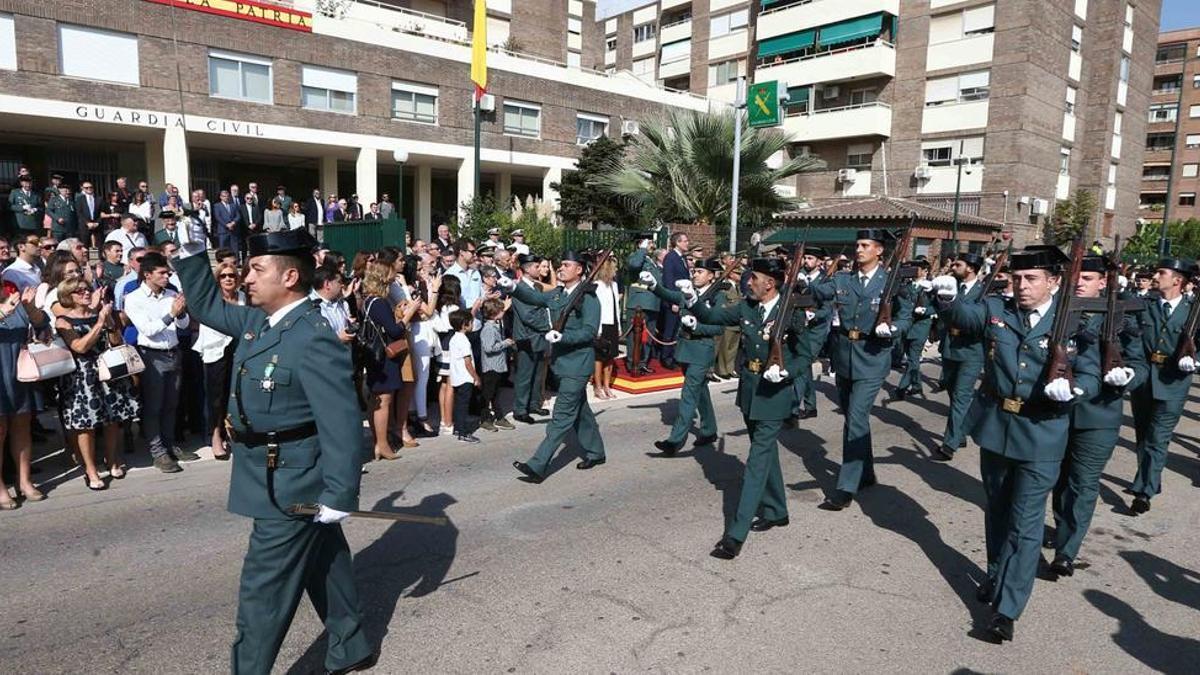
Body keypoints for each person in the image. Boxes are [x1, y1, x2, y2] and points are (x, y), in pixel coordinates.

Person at [173, 227, 375, 675]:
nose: (246, 277)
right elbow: (206, 306)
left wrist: (341, 494)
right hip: (264, 468)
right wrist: (191, 254)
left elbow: (340, 419)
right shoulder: (257, 322)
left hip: (294, 481)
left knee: (263, 591)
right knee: (325, 560)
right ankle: (351, 642)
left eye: (256, 269)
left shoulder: (313, 335)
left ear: (288, 278)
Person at [932, 245, 1102, 643]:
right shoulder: (998, 309)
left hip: (1043, 432)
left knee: (1026, 525)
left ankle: (1007, 609)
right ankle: (995, 574)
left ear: (1054, 282)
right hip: (996, 427)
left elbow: (1093, 370)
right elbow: (965, 317)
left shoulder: (1075, 320)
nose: (1022, 287)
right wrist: (946, 297)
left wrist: (1073, 388)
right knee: (998, 512)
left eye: (1032, 280)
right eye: (1017, 279)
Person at [689, 256, 813, 559]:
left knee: (756, 460)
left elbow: (806, 354)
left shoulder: (791, 311)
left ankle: (735, 533)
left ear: (769, 283)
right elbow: (712, 316)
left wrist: (787, 371)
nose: (749, 282)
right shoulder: (748, 307)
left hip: (774, 395)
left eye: (754, 278)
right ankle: (777, 510)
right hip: (749, 391)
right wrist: (691, 300)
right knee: (766, 451)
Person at [1049, 255, 1146, 577]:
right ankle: (1063, 528)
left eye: (1088, 278)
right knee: (1060, 481)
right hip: (1058, 412)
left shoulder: (1120, 316)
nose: (1079, 282)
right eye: (1076, 276)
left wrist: (1128, 375)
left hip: (1099, 413)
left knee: (1083, 482)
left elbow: (1141, 363)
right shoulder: (1056, 310)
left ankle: (1067, 549)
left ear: (1103, 282)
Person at [808, 229, 913, 511]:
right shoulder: (844, 278)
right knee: (853, 418)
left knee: (855, 417)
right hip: (844, 356)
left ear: (879, 250)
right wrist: (796, 278)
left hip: (873, 356)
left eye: (865, 245)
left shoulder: (891, 281)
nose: (859, 249)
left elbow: (906, 313)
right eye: (857, 244)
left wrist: (894, 328)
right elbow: (819, 292)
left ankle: (846, 486)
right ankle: (866, 472)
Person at [500, 251, 606, 483]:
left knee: (561, 416)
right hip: (562, 363)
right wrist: (513, 287)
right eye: (561, 264)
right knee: (581, 412)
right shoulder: (559, 293)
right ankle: (596, 452)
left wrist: (563, 338)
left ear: (579, 270)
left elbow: (589, 331)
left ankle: (538, 465)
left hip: (578, 365)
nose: (560, 268)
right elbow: (536, 299)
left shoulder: (588, 298)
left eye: (567, 265)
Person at [1127, 257, 1200, 514]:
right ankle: (1150, 479)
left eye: (1162, 272)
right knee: (1143, 434)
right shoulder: (1145, 305)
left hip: (1174, 382)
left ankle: (1144, 492)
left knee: (1158, 437)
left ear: (1178, 280)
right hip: (1145, 378)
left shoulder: (1194, 310)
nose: (1155, 276)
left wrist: (1195, 360)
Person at [55, 278, 141, 490]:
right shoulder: (63, 320)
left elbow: (116, 343)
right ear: (69, 296)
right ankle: (90, 470)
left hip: (108, 371)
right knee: (86, 426)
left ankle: (112, 460)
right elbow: (80, 347)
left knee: (113, 419)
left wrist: (110, 324)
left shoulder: (100, 313)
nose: (86, 293)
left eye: (87, 289)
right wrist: (100, 323)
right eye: (79, 291)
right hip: (82, 377)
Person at [642, 256, 725, 453]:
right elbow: (670, 295)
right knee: (701, 391)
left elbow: (719, 328)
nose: (695, 275)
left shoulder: (718, 297)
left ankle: (675, 440)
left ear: (711, 276)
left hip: (702, 350)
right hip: (686, 350)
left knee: (688, 395)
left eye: (700, 272)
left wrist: (698, 326)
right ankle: (709, 429)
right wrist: (654, 285)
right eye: (694, 271)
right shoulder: (690, 292)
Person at [124, 251, 196, 473]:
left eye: (168, 272)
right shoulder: (134, 298)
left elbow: (183, 326)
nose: (167, 276)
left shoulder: (170, 294)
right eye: (162, 273)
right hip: (151, 355)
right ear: (147, 274)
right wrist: (171, 315)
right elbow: (148, 330)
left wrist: (181, 312)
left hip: (173, 352)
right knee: (154, 406)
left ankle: (168, 442)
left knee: (171, 404)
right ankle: (157, 451)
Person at [933, 252, 987, 461]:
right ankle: (962, 430)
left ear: (971, 268)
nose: (953, 267)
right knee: (950, 388)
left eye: (958, 264)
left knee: (961, 396)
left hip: (971, 350)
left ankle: (950, 443)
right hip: (949, 347)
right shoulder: (951, 286)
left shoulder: (984, 292)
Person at [0, 281, 49, 509]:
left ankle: (24, 481)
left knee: (21, 427)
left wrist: (29, 308)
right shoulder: (7, 305)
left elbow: (42, 326)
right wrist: (2, 312)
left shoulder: (15, 298)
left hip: (19, 371)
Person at [193, 262, 244, 461]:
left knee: (237, 394)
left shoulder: (242, 298)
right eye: (223, 276)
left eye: (231, 275)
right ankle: (215, 435)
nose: (228, 278)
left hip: (239, 350)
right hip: (216, 351)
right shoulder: (212, 300)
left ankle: (234, 433)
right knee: (216, 397)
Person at [361, 261, 405, 461]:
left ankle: (378, 442)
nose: (394, 277)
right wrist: (407, 316)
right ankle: (382, 443)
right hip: (382, 355)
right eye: (390, 274)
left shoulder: (368, 299)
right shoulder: (378, 302)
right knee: (383, 400)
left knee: (375, 399)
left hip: (373, 354)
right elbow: (395, 331)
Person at [510, 255, 551, 423]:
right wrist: (548, 326)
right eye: (536, 266)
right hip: (527, 337)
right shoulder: (519, 289)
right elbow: (528, 316)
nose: (539, 269)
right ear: (526, 269)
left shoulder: (536, 287)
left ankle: (534, 404)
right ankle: (520, 409)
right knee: (525, 375)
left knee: (538, 373)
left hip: (539, 336)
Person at [895, 257, 935, 400]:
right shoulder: (906, 285)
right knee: (912, 357)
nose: (913, 271)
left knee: (912, 358)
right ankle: (917, 385)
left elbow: (938, 306)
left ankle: (902, 387)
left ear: (925, 271)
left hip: (921, 326)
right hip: (907, 325)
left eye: (917, 268)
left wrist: (925, 310)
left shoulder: (931, 287)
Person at [625, 237, 661, 375]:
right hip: (639, 303)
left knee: (648, 337)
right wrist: (642, 249)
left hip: (652, 304)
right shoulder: (635, 257)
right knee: (634, 337)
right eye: (649, 243)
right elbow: (634, 265)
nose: (652, 245)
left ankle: (643, 363)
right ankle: (632, 363)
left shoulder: (651, 261)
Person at [431, 275, 462, 435]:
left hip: (440, 350)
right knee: (450, 386)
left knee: (443, 385)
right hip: (451, 349)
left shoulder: (438, 307)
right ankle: (449, 421)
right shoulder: (454, 309)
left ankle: (444, 420)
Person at [478, 297, 514, 432]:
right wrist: (505, 343)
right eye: (501, 310)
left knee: (495, 394)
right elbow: (489, 348)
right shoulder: (489, 329)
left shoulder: (495, 325)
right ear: (495, 312)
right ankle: (484, 419)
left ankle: (499, 417)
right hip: (491, 367)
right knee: (488, 394)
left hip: (498, 365)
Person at [658, 232, 691, 368]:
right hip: (674, 300)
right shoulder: (671, 257)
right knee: (670, 330)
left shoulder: (681, 258)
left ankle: (674, 355)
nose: (687, 243)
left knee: (677, 329)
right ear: (677, 242)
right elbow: (669, 280)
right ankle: (666, 358)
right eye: (685, 241)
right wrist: (673, 301)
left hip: (682, 299)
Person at [448, 308, 481, 443]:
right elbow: (468, 362)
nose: (472, 325)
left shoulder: (454, 338)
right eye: (470, 323)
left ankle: (457, 427)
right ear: (464, 325)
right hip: (465, 377)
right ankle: (463, 432)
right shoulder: (464, 340)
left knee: (459, 404)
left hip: (456, 377)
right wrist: (476, 377)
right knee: (463, 405)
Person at [591, 256, 621, 400]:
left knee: (610, 356)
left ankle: (607, 385)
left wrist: (619, 326)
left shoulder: (614, 285)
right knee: (599, 357)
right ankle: (597, 386)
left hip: (612, 323)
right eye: (614, 267)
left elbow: (616, 307)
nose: (616, 270)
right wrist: (597, 328)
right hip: (601, 324)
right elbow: (596, 308)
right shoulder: (597, 285)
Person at [75, 181, 102, 249]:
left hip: (97, 224)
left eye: (90, 187)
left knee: (99, 244)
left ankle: (99, 258)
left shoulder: (99, 199)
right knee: (85, 244)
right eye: (86, 188)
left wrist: (97, 222)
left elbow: (102, 212)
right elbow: (79, 213)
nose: (89, 189)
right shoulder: (79, 199)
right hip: (85, 225)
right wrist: (87, 223)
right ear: (83, 189)